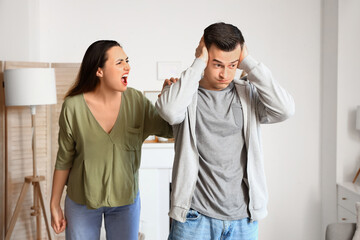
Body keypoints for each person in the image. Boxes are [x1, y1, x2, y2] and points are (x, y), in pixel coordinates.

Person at [156, 22, 295, 240]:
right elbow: (170, 111)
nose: (225, 74)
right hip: (195, 217)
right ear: (204, 55)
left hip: (243, 220)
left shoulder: (247, 93)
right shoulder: (186, 94)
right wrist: (197, 64)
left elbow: (285, 109)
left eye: (233, 65)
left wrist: (249, 63)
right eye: (217, 64)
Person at [50, 40, 172, 240]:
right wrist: (54, 204)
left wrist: (170, 98)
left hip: (126, 202)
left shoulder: (136, 101)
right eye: (119, 62)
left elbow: (170, 130)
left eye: (127, 61)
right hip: (81, 202)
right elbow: (64, 159)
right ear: (99, 71)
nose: (127, 66)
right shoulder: (73, 107)